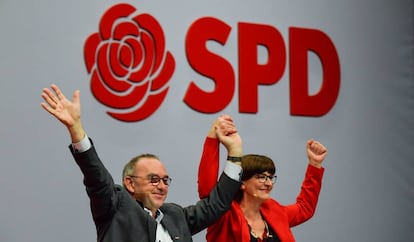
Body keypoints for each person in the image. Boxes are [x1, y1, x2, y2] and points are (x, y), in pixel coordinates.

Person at [40, 84, 243, 242]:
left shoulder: (175, 215)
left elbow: (216, 205)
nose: (162, 186)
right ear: (130, 183)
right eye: (154, 180)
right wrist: (76, 129)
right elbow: (96, 177)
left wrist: (234, 152)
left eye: (165, 180)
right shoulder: (115, 206)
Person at [198, 115, 327, 242]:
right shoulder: (223, 214)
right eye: (261, 177)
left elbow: (304, 208)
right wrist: (213, 137)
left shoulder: (275, 212)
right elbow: (206, 190)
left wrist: (314, 165)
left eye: (270, 178)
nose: (269, 183)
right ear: (242, 182)